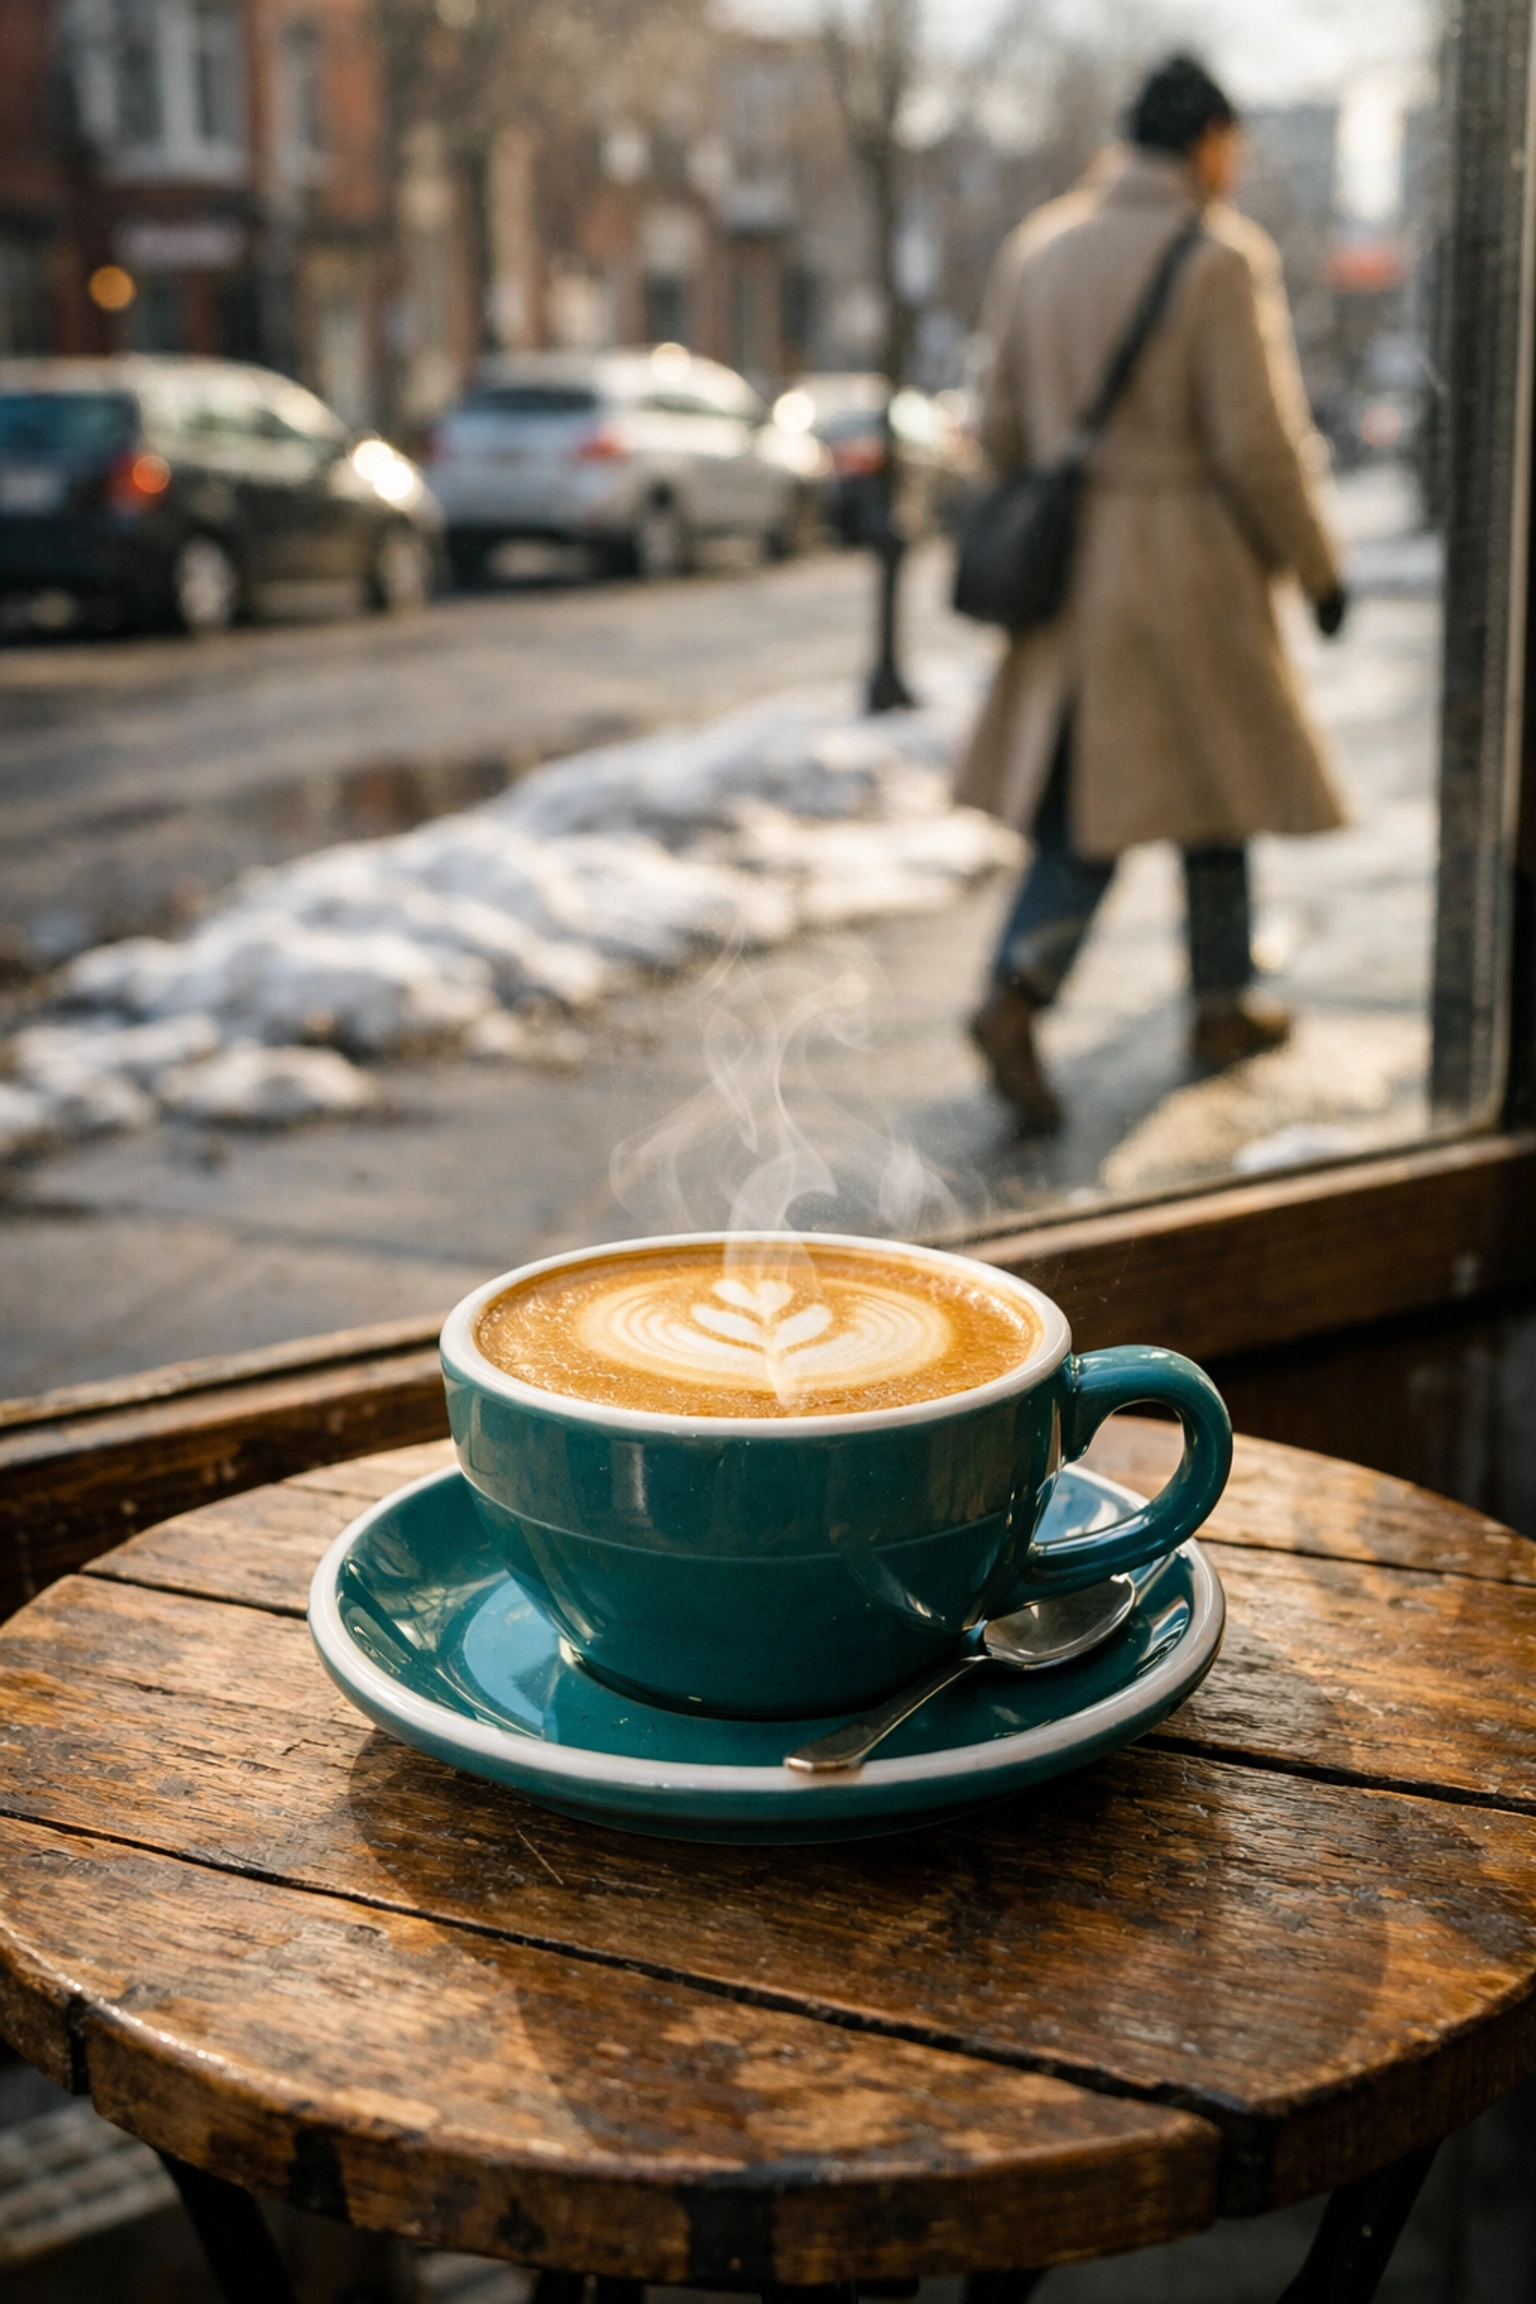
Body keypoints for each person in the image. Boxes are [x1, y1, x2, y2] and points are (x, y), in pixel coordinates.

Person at [958, 53, 1349, 1135]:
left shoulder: (1040, 249)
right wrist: (1318, 567)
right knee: (1202, 792)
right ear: (1206, 140)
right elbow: (1259, 445)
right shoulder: (1218, 259)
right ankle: (1057, 998)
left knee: (1093, 804)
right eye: (1232, 143)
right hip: (1188, 575)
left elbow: (994, 430)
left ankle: (1114, 992)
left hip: (1075, 577)